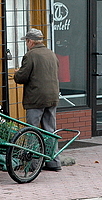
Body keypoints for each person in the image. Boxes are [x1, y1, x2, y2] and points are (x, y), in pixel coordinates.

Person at [13, 28, 62, 171]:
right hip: (52, 96)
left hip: (36, 98)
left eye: (26, 41)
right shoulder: (51, 54)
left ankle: (33, 164)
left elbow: (22, 77)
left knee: (32, 131)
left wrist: (16, 74)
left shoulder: (31, 55)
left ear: (30, 41)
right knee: (49, 130)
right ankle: (54, 162)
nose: (26, 44)